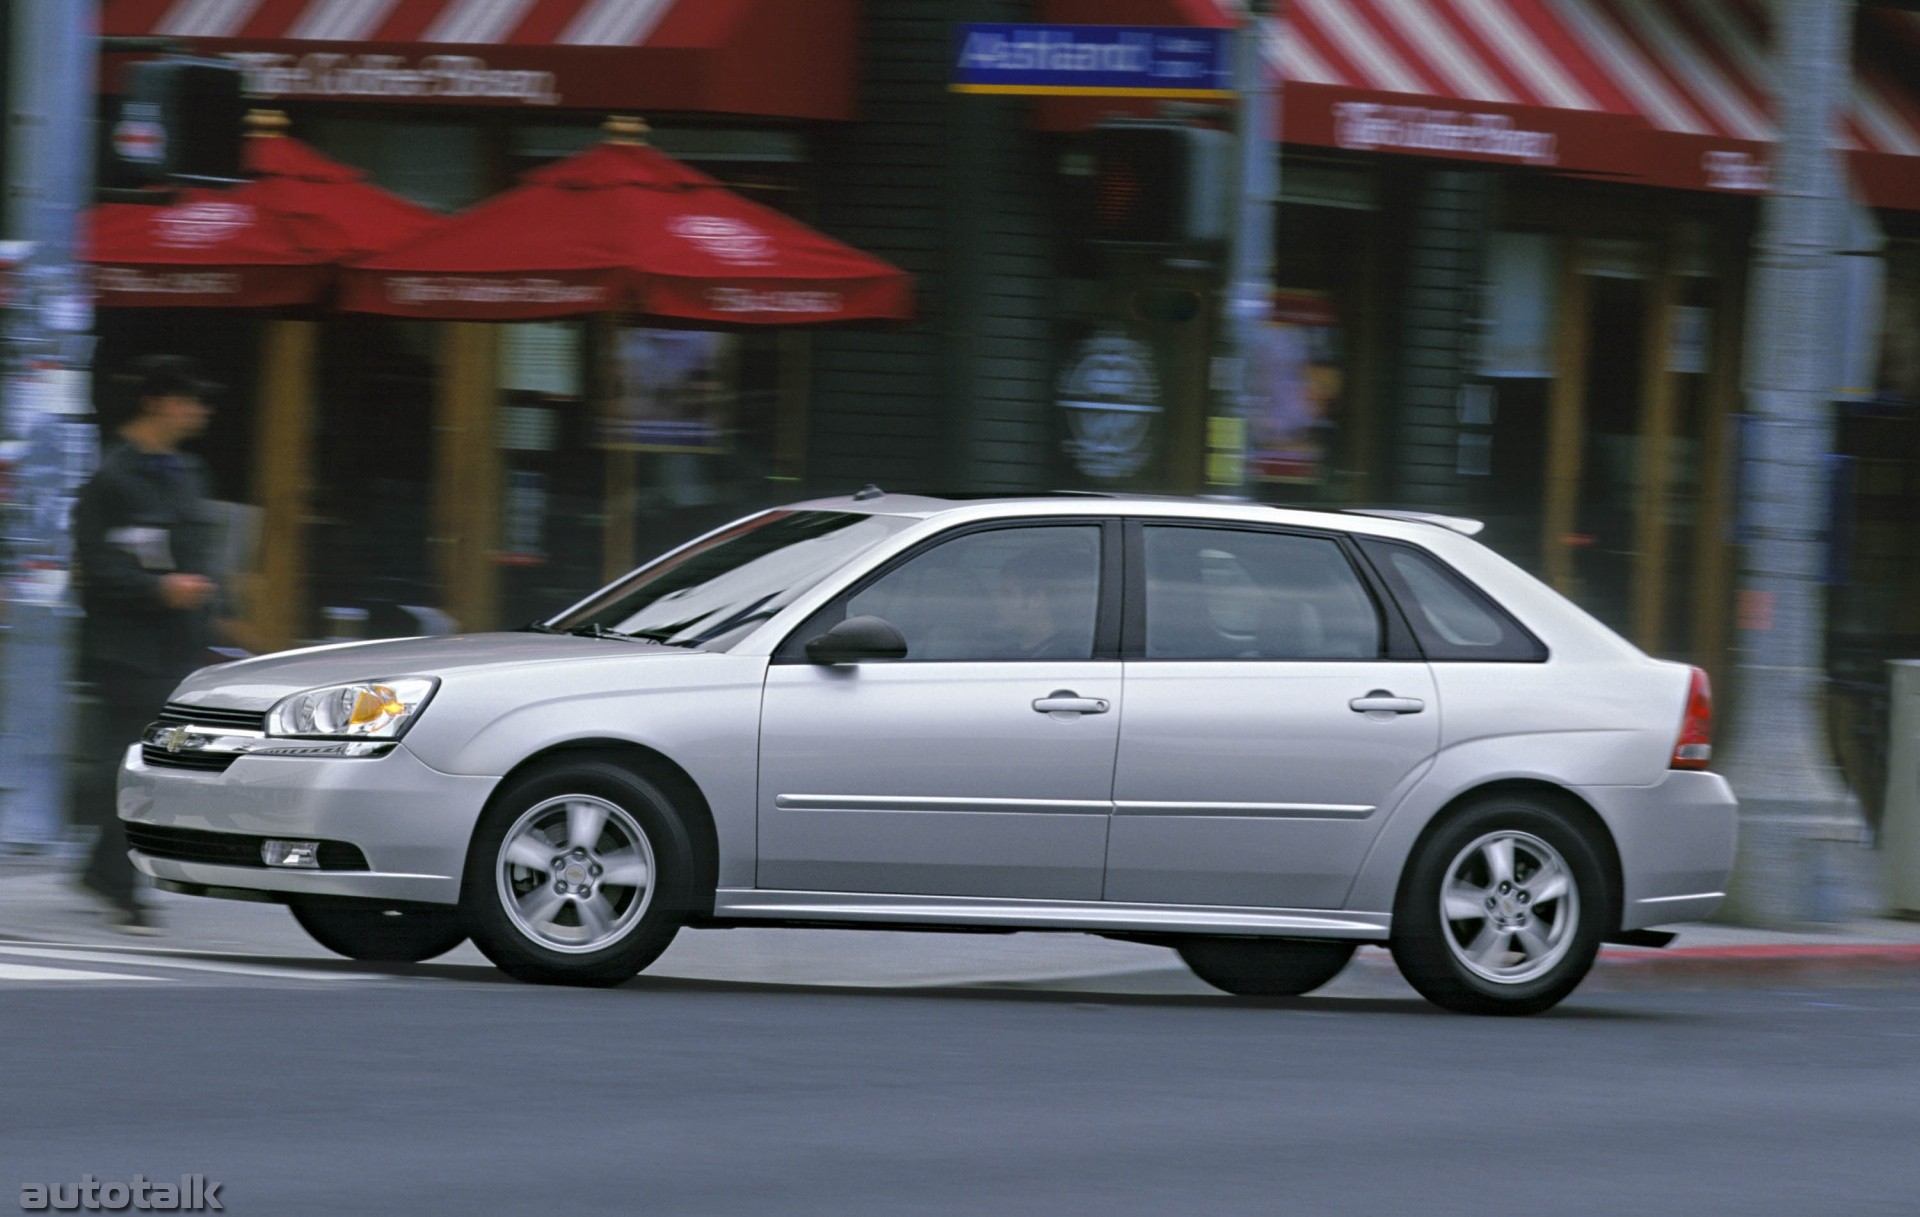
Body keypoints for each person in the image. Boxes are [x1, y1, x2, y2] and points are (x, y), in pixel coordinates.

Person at [69, 355, 219, 933]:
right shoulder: (112, 477)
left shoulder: (186, 472)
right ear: (158, 402)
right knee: (140, 764)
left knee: (142, 763)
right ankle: (116, 879)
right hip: (126, 648)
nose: (200, 411)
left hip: (179, 646)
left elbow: (198, 553)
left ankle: (104, 870)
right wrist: (160, 589)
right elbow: (97, 567)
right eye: (190, 399)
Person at [990, 542, 1098, 661]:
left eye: (1007, 594)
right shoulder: (1006, 654)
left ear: (1036, 599)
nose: (996, 602)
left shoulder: (1066, 658)